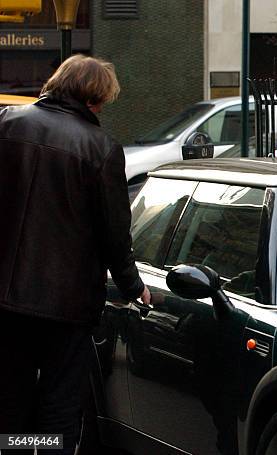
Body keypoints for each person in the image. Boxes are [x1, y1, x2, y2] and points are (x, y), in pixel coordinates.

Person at [0, 55, 150, 454]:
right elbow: (114, 232)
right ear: (93, 99)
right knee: (59, 401)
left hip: (5, 299)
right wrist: (133, 285)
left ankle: (16, 450)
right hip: (66, 305)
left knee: (9, 398)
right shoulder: (100, 148)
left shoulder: (6, 124)